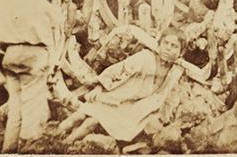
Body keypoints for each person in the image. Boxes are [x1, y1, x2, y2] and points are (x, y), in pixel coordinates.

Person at [0, 0, 65, 152]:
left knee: (16, 108)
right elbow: (56, 18)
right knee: (34, 108)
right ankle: (30, 150)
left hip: (9, 55)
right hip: (32, 55)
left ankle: (9, 149)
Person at [56, 27, 187, 142]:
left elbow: (168, 94)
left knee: (93, 121)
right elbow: (117, 70)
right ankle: (53, 136)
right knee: (81, 114)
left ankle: (66, 143)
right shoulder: (145, 58)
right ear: (159, 45)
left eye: (174, 46)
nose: (168, 48)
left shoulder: (175, 72)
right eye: (166, 43)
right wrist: (99, 87)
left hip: (131, 107)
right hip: (116, 97)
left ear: (181, 52)